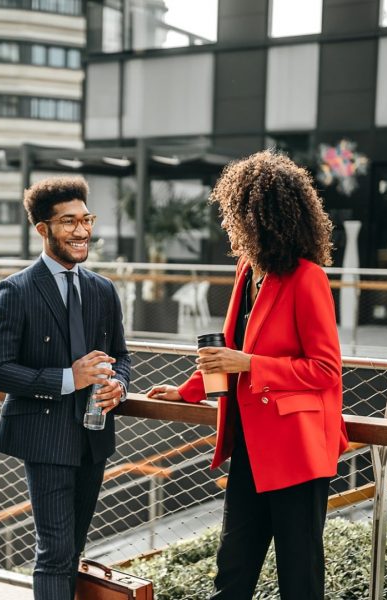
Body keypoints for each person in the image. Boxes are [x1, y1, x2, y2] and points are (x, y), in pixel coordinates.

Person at [147, 150, 347, 600]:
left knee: (299, 580)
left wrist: (251, 366)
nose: (228, 223)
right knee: (232, 573)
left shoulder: (306, 278)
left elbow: (325, 369)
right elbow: (231, 348)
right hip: (251, 448)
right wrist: (188, 391)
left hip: (297, 452)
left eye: (235, 213)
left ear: (260, 217)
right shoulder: (247, 271)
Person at [0, 176, 131, 600]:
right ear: (42, 229)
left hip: (94, 435)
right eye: (69, 221)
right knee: (55, 551)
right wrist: (70, 378)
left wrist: (118, 385)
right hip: (45, 437)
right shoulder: (15, 290)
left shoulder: (103, 289)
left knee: (74, 548)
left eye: (86, 219)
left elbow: (121, 356)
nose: (82, 231)